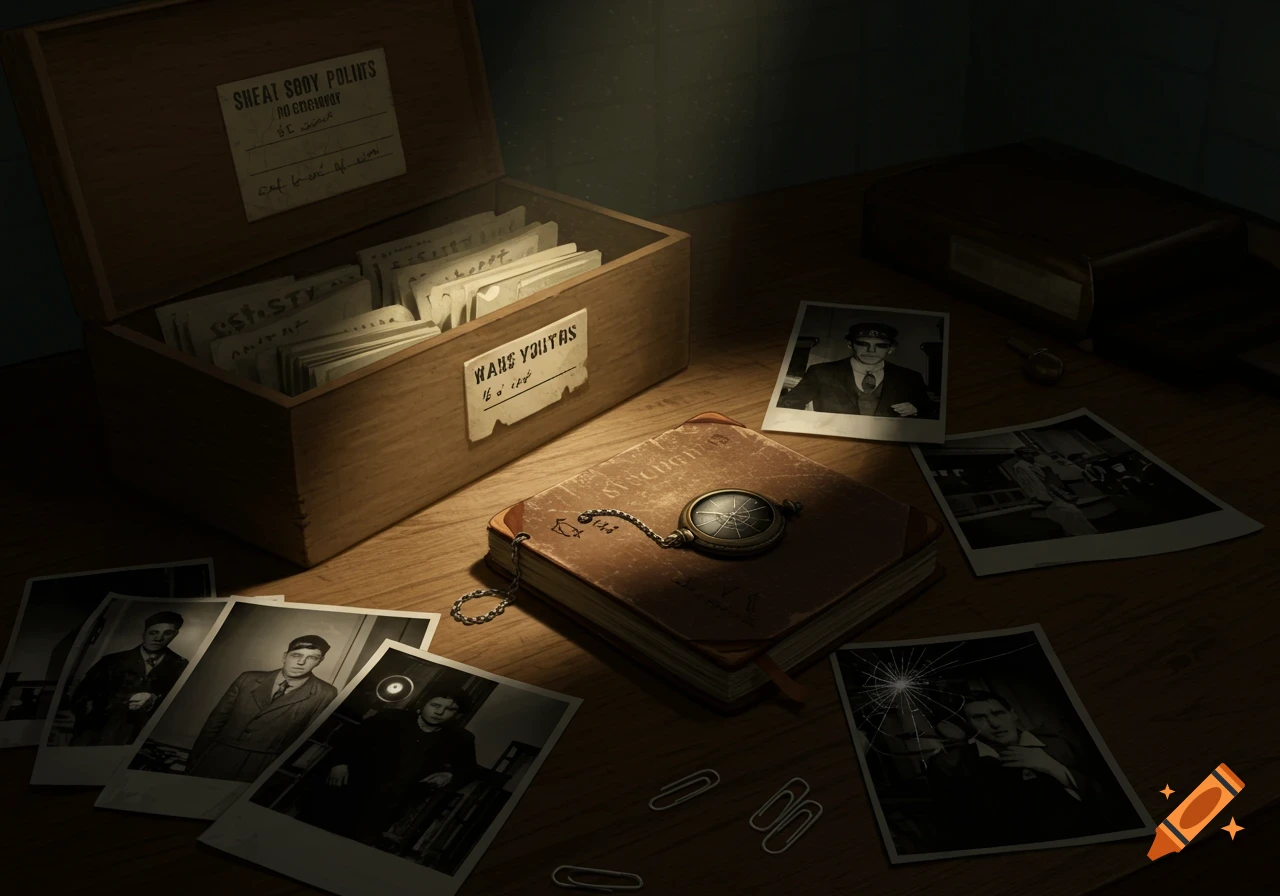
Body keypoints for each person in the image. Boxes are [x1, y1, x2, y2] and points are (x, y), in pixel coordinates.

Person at [296, 687, 478, 847]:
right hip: (346, 787)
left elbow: (469, 769)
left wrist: (449, 775)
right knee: (309, 833)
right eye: (435, 705)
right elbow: (345, 737)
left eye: (449, 709)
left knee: (347, 848)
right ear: (423, 703)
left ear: (458, 714)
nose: (439, 712)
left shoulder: (460, 739)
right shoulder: (390, 718)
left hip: (387, 805)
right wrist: (340, 763)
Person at [929, 691, 1109, 849]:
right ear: (967, 725)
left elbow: (1107, 792)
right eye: (980, 718)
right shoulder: (955, 765)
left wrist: (1053, 767)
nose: (995, 723)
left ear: (1013, 714)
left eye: (998, 713)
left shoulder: (1060, 744)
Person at [185, 635, 339, 782]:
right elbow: (215, 722)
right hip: (217, 756)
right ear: (285, 656)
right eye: (296, 655)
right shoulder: (248, 679)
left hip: (263, 766)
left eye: (311, 658)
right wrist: (195, 757)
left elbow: (306, 738)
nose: (301, 662)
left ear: (320, 661)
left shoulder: (325, 693)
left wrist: (276, 775)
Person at [58, 611, 188, 746]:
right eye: (153, 632)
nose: (159, 638)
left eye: (167, 633)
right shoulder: (111, 661)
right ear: (143, 633)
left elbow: (180, 704)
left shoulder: (180, 665)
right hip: (98, 732)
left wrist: (153, 698)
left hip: (141, 738)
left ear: (175, 635)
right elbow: (82, 695)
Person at [776, 322, 934, 418]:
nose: (871, 351)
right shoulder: (821, 372)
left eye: (881, 345)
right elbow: (788, 404)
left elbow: (931, 412)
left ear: (891, 349)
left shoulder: (910, 377)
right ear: (850, 344)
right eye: (863, 344)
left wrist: (916, 409)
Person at [1010, 447, 1098, 536]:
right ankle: (1082, 533)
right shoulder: (1020, 466)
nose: (1029, 456)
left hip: (1051, 493)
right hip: (1044, 496)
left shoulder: (1035, 464)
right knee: (1070, 513)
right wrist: (1037, 496)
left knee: (1074, 513)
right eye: (1026, 454)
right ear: (1020, 455)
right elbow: (1028, 483)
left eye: (1030, 453)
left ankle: (1086, 532)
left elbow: (1046, 478)